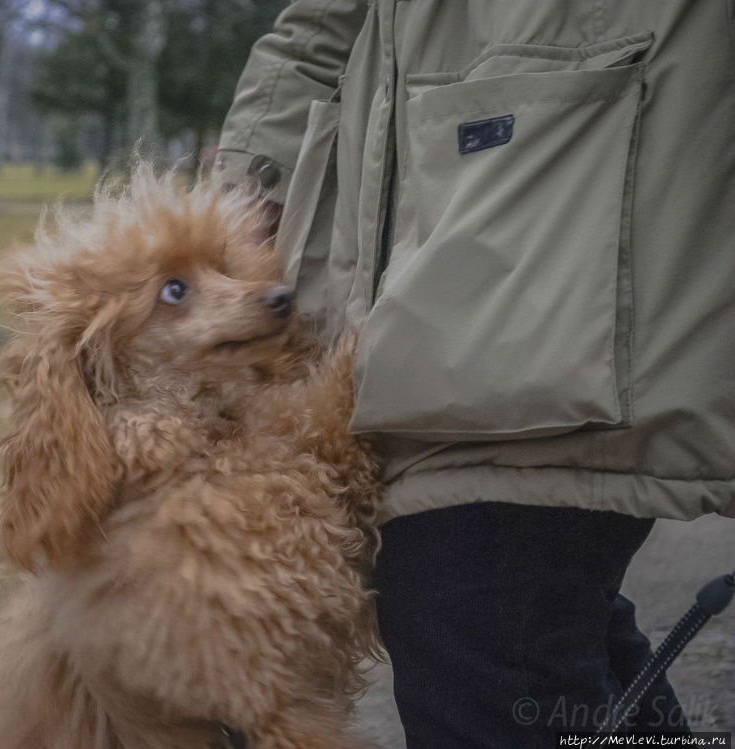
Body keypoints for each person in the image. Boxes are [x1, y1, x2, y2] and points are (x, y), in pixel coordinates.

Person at [215, 2, 735, 747]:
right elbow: (323, 19)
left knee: (480, 607)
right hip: (413, 236)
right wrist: (247, 178)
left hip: (578, 178)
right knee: (523, 617)